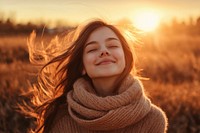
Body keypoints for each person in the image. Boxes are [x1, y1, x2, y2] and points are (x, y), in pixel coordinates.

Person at [26, 19, 168, 133]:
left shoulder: (153, 119)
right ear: (82, 66)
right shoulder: (62, 119)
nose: (104, 51)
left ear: (126, 58)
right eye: (93, 49)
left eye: (112, 46)